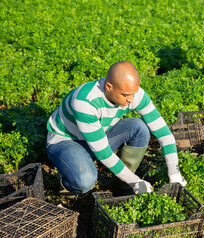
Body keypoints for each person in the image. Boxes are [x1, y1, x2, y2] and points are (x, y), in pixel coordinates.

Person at [46, 61, 187, 195]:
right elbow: (104, 153)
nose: (131, 99)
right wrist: (135, 181)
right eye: (125, 95)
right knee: (85, 180)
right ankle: (68, 179)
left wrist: (174, 174)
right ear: (109, 86)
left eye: (133, 93)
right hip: (66, 141)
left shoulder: (133, 95)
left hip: (98, 135)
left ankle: (121, 185)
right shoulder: (85, 102)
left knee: (139, 128)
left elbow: (163, 133)